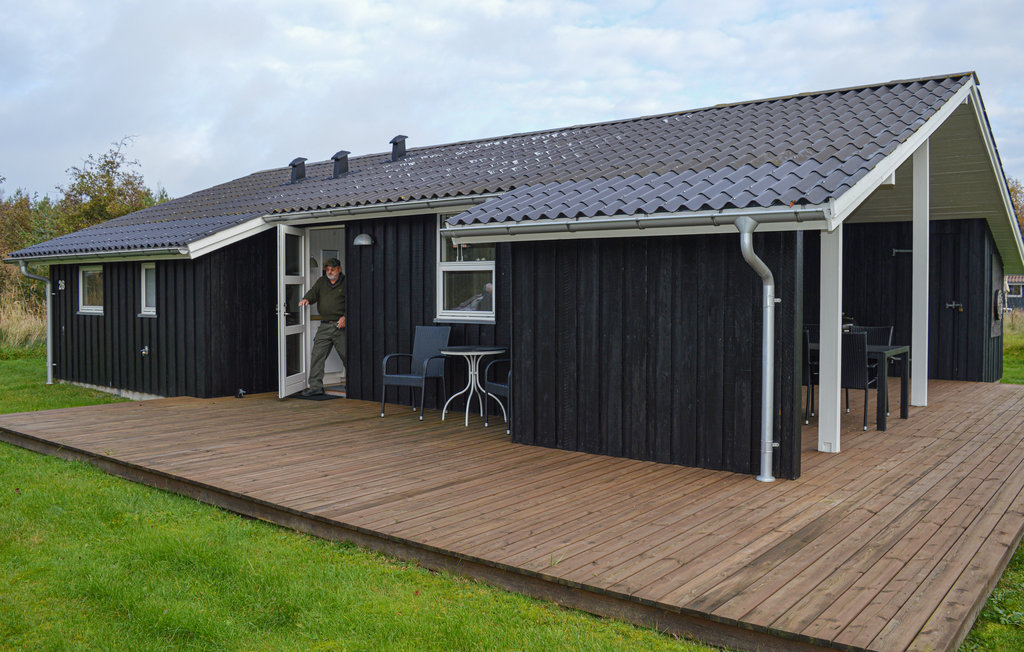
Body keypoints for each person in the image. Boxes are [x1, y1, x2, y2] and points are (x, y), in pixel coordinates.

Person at [297, 257, 346, 396]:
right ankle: (315, 387)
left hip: (340, 326)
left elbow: (355, 301)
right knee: (317, 355)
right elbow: (313, 293)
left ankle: (356, 384)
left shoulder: (346, 282)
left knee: (347, 355)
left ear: (339, 269)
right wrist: (306, 299)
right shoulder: (322, 281)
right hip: (324, 326)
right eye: (327, 269)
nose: (329, 272)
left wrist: (345, 317)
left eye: (332, 269)